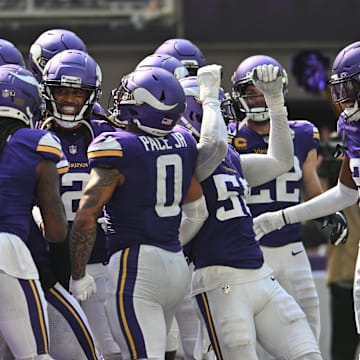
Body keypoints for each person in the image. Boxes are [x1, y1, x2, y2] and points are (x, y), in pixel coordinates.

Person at [69, 64, 227, 360]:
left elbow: (86, 216)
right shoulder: (183, 140)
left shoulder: (117, 146)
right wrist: (169, 244)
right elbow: (197, 210)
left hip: (135, 265)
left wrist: (78, 274)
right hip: (175, 265)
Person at [180, 64, 323, 359]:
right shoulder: (186, 157)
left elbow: (281, 161)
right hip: (219, 280)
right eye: (218, 108)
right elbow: (213, 144)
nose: (225, 115)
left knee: (308, 353)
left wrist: (276, 102)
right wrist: (209, 100)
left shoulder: (228, 155)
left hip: (259, 273)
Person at [252, 40, 360, 341]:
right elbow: (346, 193)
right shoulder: (351, 127)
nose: (344, 98)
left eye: (350, 87)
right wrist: (281, 217)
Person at [28, 28, 122, 359]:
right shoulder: (30, 135)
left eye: (77, 94)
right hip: (49, 263)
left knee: (112, 348)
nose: (69, 100)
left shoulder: (106, 134)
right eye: (62, 92)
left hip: (99, 259)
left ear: (91, 96)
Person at [228, 54, 325, 354]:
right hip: (249, 251)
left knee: (308, 339)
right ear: (240, 96)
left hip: (292, 249)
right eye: (251, 93)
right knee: (247, 340)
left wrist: (326, 214)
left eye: (263, 92)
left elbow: (310, 183)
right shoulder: (229, 135)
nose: (258, 100)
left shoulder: (303, 133)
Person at [0, 64, 67, 359]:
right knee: (35, 354)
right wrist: (37, 215)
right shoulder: (35, 142)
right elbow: (56, 231)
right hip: (8, 253)